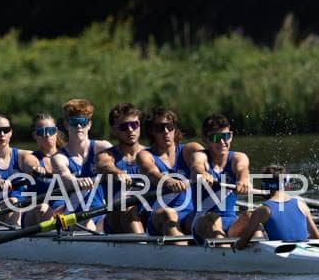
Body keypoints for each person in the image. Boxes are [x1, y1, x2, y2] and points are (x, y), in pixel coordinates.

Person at [188, 113, 253, 245]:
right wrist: (202, 174)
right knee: (213, 218)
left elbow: (243, 170)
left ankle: (261, 252)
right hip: (204, 222)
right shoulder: (200, 156)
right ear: (206, 140)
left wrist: (243, 181)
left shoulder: (238, 157)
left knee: (252, 217)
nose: (222, 142)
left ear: (231, 136)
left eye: (226, 136)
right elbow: (196, 166)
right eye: (216, 137)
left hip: (231, 223)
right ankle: (225, 250)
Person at [50, 98, 112, 231]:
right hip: (74, 216)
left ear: (89, 124)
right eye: (74, 122)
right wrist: (77, 182)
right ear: (66, 125)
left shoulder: (103, 147)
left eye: (83, 122)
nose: (79, 126)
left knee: (122, 217)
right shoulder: (59, 157)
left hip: (101, 212)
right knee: (88, 224)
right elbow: (65, 176)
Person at [136, 106, 195, 241]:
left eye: (170, 126)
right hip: (159, 216)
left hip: (188, 214)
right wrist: (168, 181)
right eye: (160, 128)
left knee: (208, 218)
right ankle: (182, 250)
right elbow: (151, 172)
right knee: (169, 214)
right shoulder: (145, 155)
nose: (166, 131)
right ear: (151, 131)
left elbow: (201, 160)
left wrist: (202, 172)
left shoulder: (188, 150)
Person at [234, 165, 319, 249]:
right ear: (287, 185)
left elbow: (241, 245)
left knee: (257, 229)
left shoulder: (262, 210)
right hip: (303, 250)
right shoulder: (301, 204)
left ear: (264, 185)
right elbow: (317, 238)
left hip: (279, 254)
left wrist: (234, 245)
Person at [96, 102, 148, 234]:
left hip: (147, 212)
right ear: (114, 130)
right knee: (128, 206)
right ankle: (142, 244)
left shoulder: (151, 155)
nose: (130, 130)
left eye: (134, 125)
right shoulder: (106, 155)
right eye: (124, 127)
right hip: (117, 217)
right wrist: (117, 172)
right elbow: (105, 166)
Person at [22, 112, 65, 226]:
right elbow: (29, 164)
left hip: (62, 210)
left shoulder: (67, 156)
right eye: (42, 132)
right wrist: (35, 168)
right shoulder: (31, 157)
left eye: (51, 131)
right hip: (35, 212)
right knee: (43, 208)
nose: (47, 135)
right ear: (35, 135)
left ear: (56, 132)